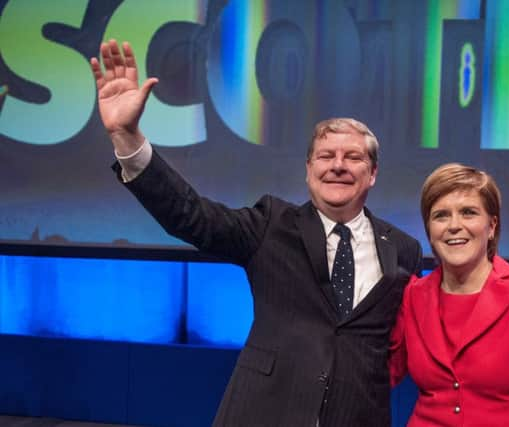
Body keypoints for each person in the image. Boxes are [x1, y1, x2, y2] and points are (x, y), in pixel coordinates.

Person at [90, 39, 423, 427]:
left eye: (353, 157)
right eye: (326, 156)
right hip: (265, 412)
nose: (338, 166)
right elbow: (190, 215)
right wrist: (127, 137)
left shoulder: (403, 249)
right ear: (308, 169)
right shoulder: (271, 224)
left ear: (373, 173)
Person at [389, 163, 509, 426]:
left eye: (468, 213)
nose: (454, 226)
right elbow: (383, 373)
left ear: (491, 226)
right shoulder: (412, 295)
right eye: (441, 215)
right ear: (429, 231)